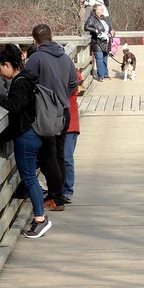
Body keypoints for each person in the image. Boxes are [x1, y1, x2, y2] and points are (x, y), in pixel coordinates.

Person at [0, 44, 51, 238]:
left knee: (29, 178)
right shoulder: (28, 77)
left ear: (8, 64)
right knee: (31, 177)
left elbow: (15, 106)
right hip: (33, 133)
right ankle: (40, 217)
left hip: (26, 135)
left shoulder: (20, 82)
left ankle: (40, 219)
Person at [25, 24, 78, 211]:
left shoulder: (35, 58)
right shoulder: (65, 57)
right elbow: (73, 83)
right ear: (52, 37)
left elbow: (26, 82)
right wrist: (61, 96)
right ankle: (60, 194)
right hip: (63, 111)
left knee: (49, 157)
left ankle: (55, 198)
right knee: (59, 155)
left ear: (35, 40)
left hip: (45, 113)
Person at [62, 69, 82, 203]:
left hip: (70, 124)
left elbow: (77, 77)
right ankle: (58, 189)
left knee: (66, 158)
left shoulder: (70, 73)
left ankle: (67, 190)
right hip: (54, 122)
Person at [84, 3, 114, 82]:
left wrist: (111, 33)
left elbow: (109, 27)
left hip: (106, 41)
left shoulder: (105, 18)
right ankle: (101, 75)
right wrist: (95, 30)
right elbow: (86, 27)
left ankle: (106, 74)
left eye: (102, 9)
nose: (102, 11)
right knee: (99, 58)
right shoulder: (92, 18)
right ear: (96, 10)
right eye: (100, 9)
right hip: (97, 41)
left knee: (105, 58)